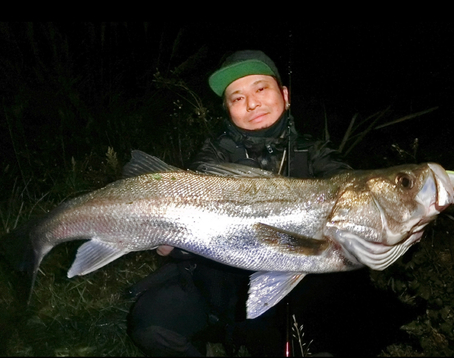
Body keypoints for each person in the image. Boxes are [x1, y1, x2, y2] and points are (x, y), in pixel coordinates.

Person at [127, 50, 351, 356]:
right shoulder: (213, 157)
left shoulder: (315, 153)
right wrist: (170, 241)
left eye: (261, 89)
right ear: (228, 110)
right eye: (237, 98)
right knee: (152, 323)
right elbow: (186, 223)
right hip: (215, 292)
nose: (252, 103)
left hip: (284, 300)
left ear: (284, 95)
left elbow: (350, 188)